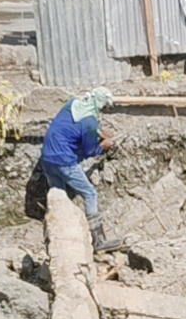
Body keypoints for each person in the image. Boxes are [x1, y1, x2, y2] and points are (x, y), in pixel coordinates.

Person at [38, 86, 123, 252]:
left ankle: (57, 239)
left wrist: (98, 133)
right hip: (64, 161)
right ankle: (99, 240)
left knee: (58, 197)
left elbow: (73, 129)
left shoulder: (73, 104)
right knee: (90, 194)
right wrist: (103, 145)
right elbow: (90, 151)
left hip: (47, 157)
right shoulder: (89, 121)